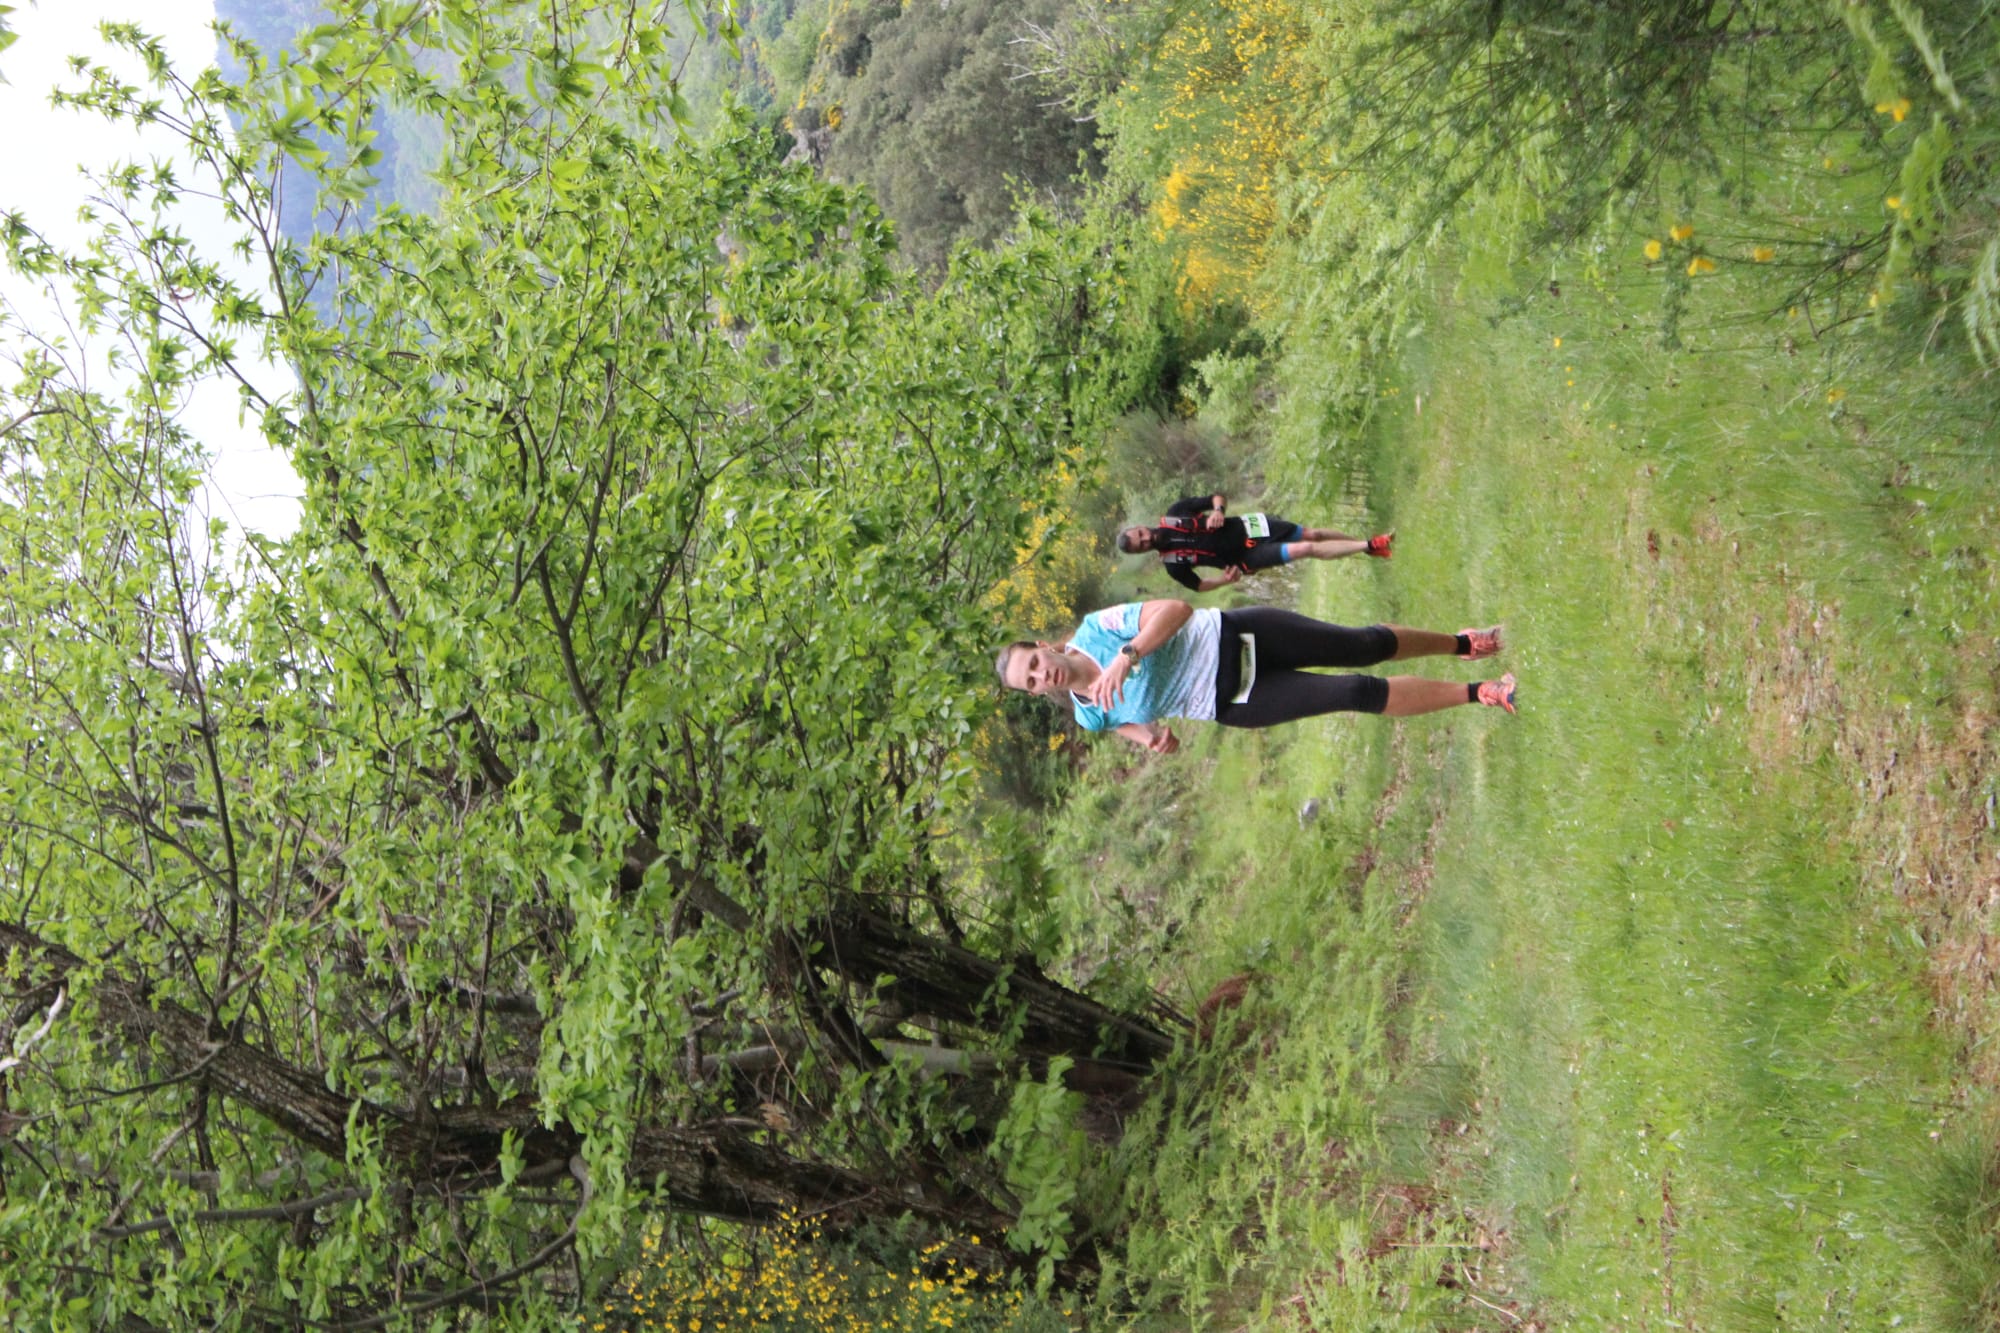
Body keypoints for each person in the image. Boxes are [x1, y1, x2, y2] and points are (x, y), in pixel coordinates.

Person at [996, 600, 1513, 754]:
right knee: (1355, 690)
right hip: (1234, 699)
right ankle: (1481, 694)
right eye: (1032, 683)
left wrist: (1128, 655)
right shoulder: (1091, 716)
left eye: (1035, 664)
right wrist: (1157, 739)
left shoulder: (1097, 629)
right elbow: (1133, 728)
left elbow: (1175, 608)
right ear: (1036, 693)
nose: (1042, 676)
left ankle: (1462, 644)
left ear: (1043, 648)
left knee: (1365, 645)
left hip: (1238, 635)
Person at [1117, 491, 1393, 593]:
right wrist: (1226, 581)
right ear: (1140, 552)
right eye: (1140, 544)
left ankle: (1367, 547)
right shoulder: (1173, 565)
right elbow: (1199, 586)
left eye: (1140, 534)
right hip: (1246, 560)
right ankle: (1370, 544)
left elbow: (1218, 497)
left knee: (1313, 536)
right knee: (1305, 549)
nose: (1145, 539)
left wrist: (1218, 511)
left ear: (1140, 527)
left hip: (1250, 527)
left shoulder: (1177, 512)